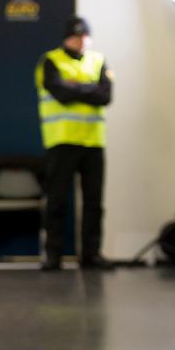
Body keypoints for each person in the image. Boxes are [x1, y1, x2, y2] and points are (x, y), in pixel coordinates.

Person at [35, 15, 114, 271]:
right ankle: (53, 255)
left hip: (93, 142)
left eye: (83, 36)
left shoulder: (98, 60)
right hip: (62, 140)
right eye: (75, 36)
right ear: (66, 37)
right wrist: (88, 88)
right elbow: (60, 93)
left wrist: (76, 88)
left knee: (94, 202)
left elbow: (105, 96)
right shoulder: (51, 61)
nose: (80, 41)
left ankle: (91, 254)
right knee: (57, 199)